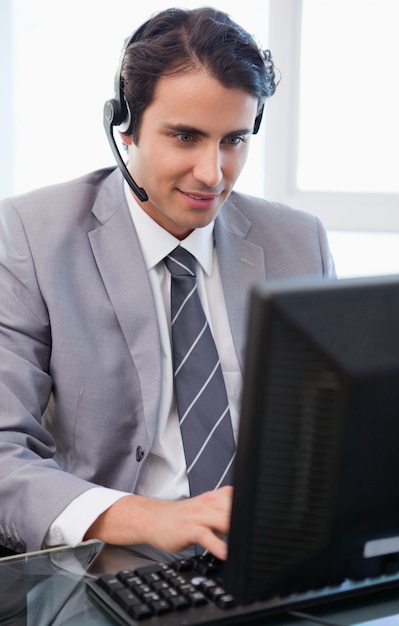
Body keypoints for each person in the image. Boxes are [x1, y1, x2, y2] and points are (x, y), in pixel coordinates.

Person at [0, 7, 335, 561]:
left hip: (269, 556)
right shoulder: (32, 238)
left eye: (234, 140)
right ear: (125, 129)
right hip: (112, 560)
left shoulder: (299, 242)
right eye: (185, 136)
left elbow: (330, 433)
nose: (213, 172)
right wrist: (148, 518)